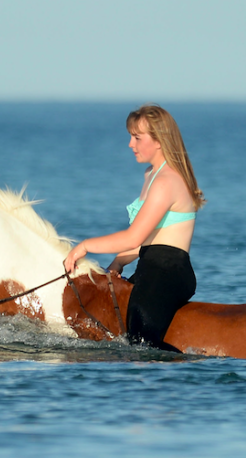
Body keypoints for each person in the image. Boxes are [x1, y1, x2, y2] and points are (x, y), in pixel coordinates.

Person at [64, 104, 204, 351]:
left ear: (159, 141)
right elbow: (143, 240)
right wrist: (117, 264)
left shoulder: (166, 181)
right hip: (148, 267)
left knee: (140, 344)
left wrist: (84, 247)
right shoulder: (151, 175)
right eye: (131, 137)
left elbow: (133, 237)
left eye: (137, 138)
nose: (131, 144)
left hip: (169, 272)